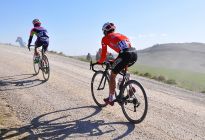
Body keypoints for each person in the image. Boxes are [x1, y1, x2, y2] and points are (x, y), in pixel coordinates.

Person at [97, 22, 138, 106]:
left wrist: (100, 62)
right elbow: (124, 50)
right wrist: (114, 60)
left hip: (124, 55)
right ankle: (130, 88)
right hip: (134, 54)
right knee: (122, 68)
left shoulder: (105, 38)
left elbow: (104, 54)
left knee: (112, 75)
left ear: (105, 31)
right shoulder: (121, 35)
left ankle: (111, 99)